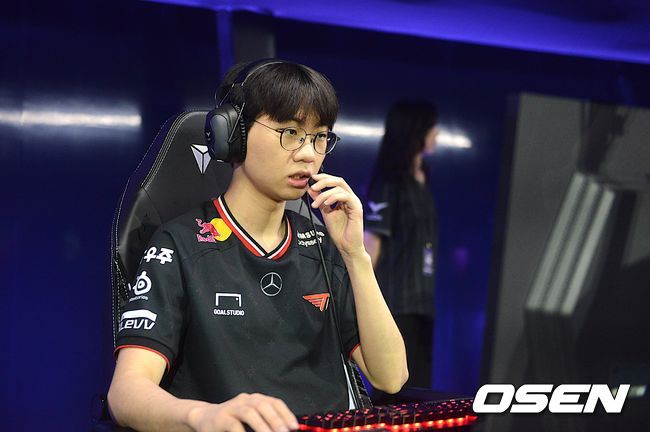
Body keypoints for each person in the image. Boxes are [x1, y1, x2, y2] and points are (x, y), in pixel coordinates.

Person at [107, 60, 408, 432]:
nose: (309, 154)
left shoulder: (322, 245)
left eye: (320, 137)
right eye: (290, 132)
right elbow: (125, 393)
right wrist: (203, 416)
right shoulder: (179, 245)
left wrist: (355, 255)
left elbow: (390, 377)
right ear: (235, 133)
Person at [363, 100, 439, 390]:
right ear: (416, 131)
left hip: (422, 304)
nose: (437, 134)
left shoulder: (423, 178)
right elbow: (371, 243)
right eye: (432, 127)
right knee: (396, 392)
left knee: (421, 391)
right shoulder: (388, 182)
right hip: (396, 304)